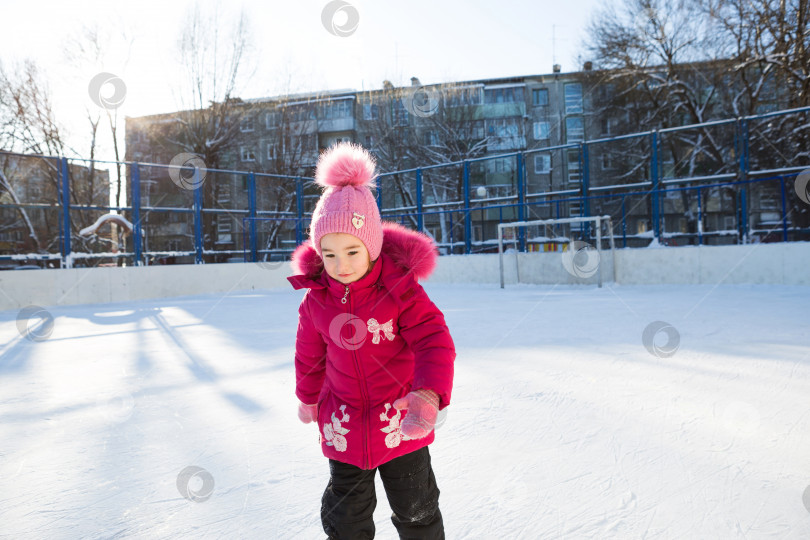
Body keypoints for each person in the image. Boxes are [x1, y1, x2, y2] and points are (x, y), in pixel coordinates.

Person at [287, 141, 456, 540]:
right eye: (329, 254)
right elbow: (309, 356)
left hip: (401, 423)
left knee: (417, 512)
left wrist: (428, 395)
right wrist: (309, 396)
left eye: (351, 251)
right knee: (345, 521)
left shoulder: (399, 290)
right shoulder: (316, 301)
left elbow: (434, 340)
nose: (340, 265)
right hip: (342, 426)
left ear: (373, 246)